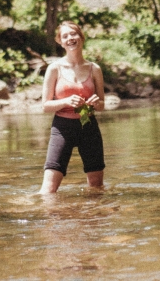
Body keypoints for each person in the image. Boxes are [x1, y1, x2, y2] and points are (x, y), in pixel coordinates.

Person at [39, 21, 106, 194]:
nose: (70, 38)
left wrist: (95, 103)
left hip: (89, 127)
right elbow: (45, 106)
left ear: (81, 37)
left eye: (74, 34)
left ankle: (95, 218)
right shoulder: (54, 68)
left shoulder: (95, 69)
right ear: (60, 42)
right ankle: (47, 218)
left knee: (96, 188)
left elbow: (102, 105)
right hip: (62, 128)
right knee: (48, 189)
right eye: (65, 36)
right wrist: (66, 102)